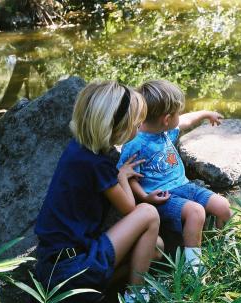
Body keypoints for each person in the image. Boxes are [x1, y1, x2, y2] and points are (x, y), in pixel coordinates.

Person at [34, 81, 161, 303]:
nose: (139, 126)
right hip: (73, 269)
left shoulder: (78, 149)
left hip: (50, 265)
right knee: (148, 213)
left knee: (155, 247)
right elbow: (130, 208)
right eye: (136, 122)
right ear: (117, 126)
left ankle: (92, 294)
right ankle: (136, 296)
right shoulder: (98, 164)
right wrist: (121, 176)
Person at [117, 79, 232, 274]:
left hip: (184, 185)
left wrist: (205, 113)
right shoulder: (135, 143)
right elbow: (129, 176)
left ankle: (220, 249)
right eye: (177, 112)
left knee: (223, 207)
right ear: (167, 119)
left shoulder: (165, 129)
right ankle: (193, 266)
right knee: (196, 212)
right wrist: (145, 197)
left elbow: (187, 120)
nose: (181, 116)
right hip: (162, 196)